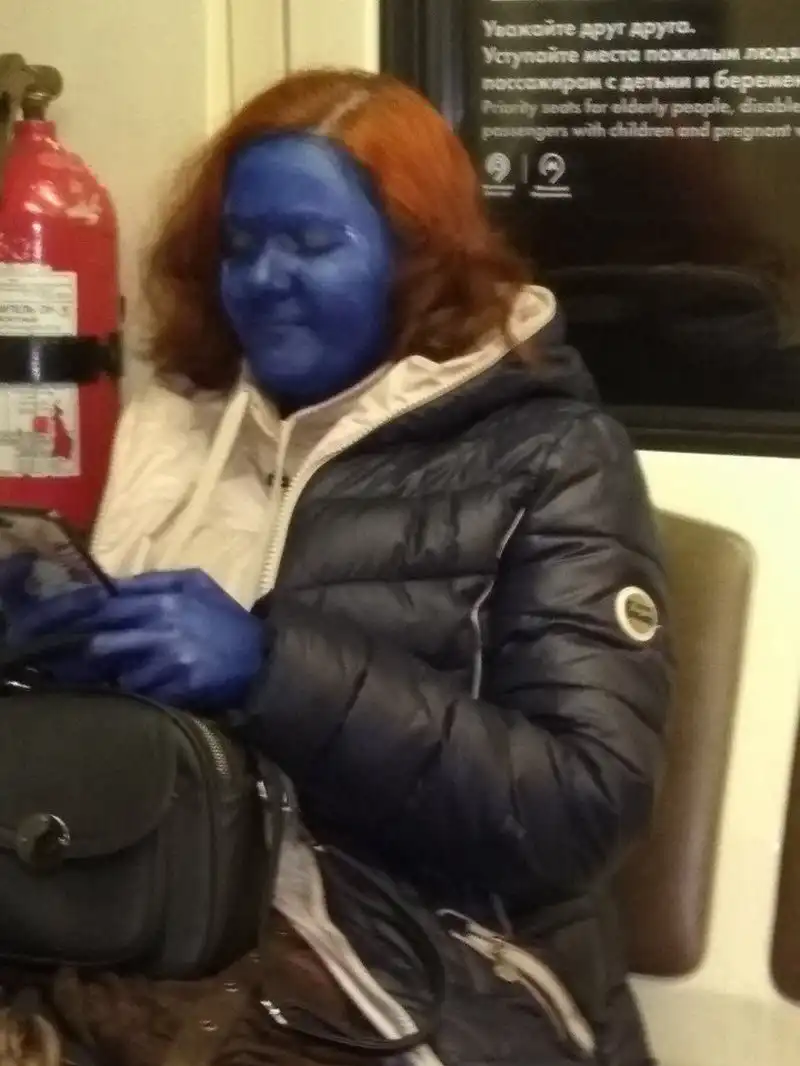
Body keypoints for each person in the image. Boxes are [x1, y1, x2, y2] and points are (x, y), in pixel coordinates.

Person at [3, 69, 672, 1066]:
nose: (262, 277)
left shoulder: (554, 456)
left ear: (417, 259)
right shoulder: (176, 427)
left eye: (311, 243)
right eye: (240, 245)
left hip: (427, 973)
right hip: (146, 918)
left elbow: (580, 806)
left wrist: (271, 669)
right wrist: (42, 653)